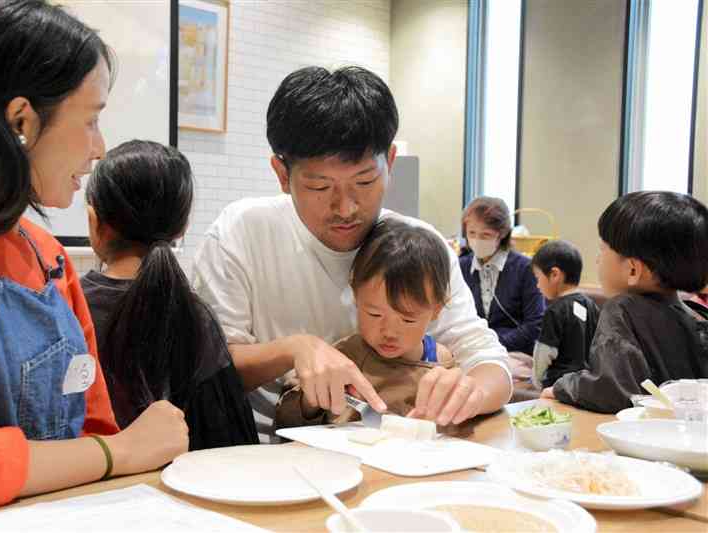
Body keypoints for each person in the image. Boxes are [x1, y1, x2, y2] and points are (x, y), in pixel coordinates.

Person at [0, 0, 187, 514]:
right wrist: (121, 450)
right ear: (22, 122)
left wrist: (112, 451)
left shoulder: (49, 256)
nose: (101, 147)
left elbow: (92, 433)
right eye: (91, 121)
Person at [193, 66, 512, 443]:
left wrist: (468, 392)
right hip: (269, 452)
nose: (345, 208)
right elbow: (209, 368)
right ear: (281, 174)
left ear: (390, 163)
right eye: (319, 185)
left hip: (397, 457)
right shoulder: (241, 233)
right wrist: (295, 349)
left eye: (364, 182)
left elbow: (488, 361)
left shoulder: (420, 246)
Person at [81, 140, 258, 450]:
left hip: (85, 488)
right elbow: (229, 438)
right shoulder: (195, 314)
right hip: (180, 489)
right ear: (182, 228)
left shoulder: (71, 305)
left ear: (95, 223)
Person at [276, 219, 458, 428]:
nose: (389, 332)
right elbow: (285, 421)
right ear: (355, 295)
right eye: (374, 314)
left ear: (437, 309)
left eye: (408, 319)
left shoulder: (441, 362)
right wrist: (311, 400)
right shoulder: (343, 356)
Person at [541, 191, 708, 412]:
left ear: (632, 269)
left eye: (603, 249)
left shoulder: (622, 309)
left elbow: (612, 389)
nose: (598, 259)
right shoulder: (694, 314)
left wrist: (562, 387)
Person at [459, 197, 545, 354]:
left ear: (502, 234)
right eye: (472, 233)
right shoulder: (461, 266)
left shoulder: (525, 268)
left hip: (515, 351)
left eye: (485, 235)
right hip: (472, 350)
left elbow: (535, 324)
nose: (477, 240)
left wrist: (491, 344)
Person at [530, 240, 600, 389]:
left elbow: (544, 352)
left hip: (558, 385)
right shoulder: (591, 305)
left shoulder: (554, 310)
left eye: (537, 278)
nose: (537, 285)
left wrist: (537, 381)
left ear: (554, 275)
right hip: (585, 383)